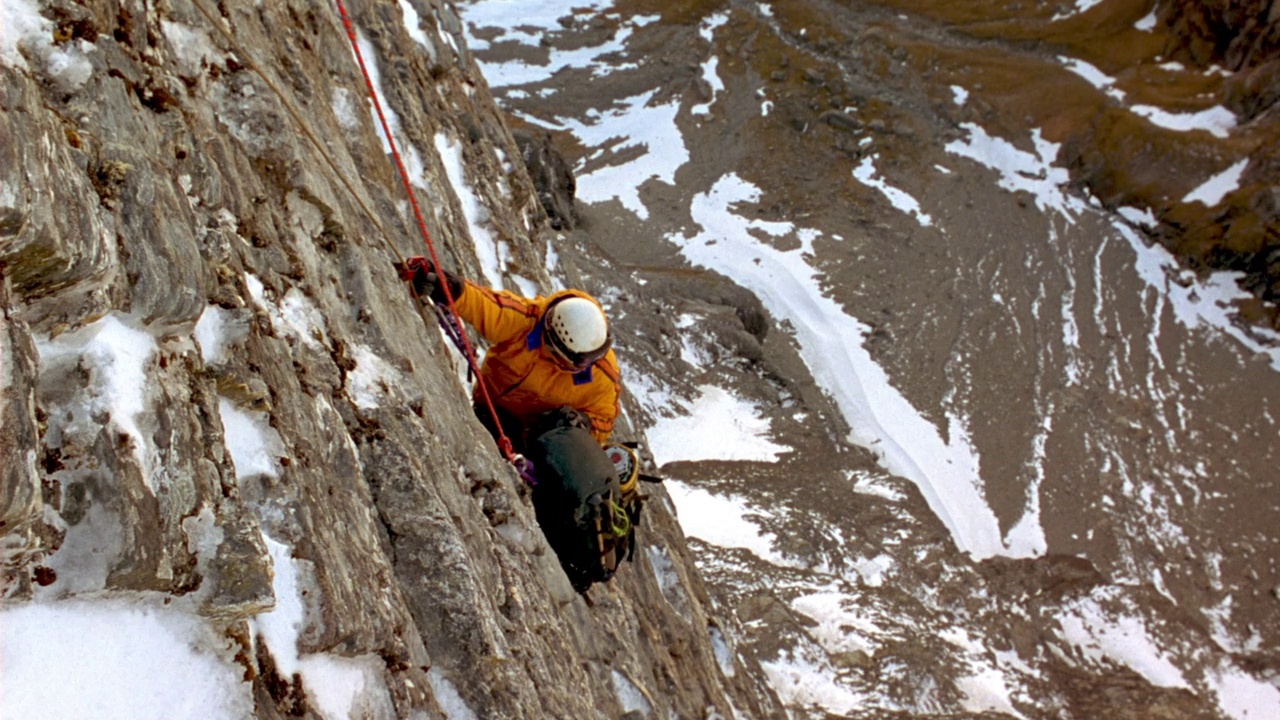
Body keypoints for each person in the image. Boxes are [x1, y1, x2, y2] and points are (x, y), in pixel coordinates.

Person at [397, 256, 621, 455]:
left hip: (538, 441)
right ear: (554, 346)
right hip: (491, 412)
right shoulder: (528, 322)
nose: (590, 365)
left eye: (595, 356)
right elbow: (489, 307)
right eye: (582, 361)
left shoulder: (603, 373)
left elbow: (605, 421)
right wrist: (448, 287)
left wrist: (583, 423)